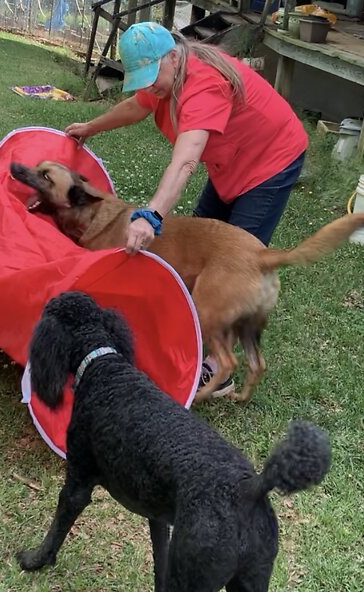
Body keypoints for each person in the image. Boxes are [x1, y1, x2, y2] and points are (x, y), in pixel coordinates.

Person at [64, 21, 309, 395]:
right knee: (196, 251)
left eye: (151, 76)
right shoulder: (166, 78)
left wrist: (152, 215)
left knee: (237, 262)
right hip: (231, 162)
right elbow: (135, 107)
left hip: (271, 161)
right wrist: (91, 127)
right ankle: (188, 332)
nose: (149, 86)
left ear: (174, 58)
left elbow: (185, 162)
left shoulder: (204, 86)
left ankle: (218, 368)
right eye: (141, 79)